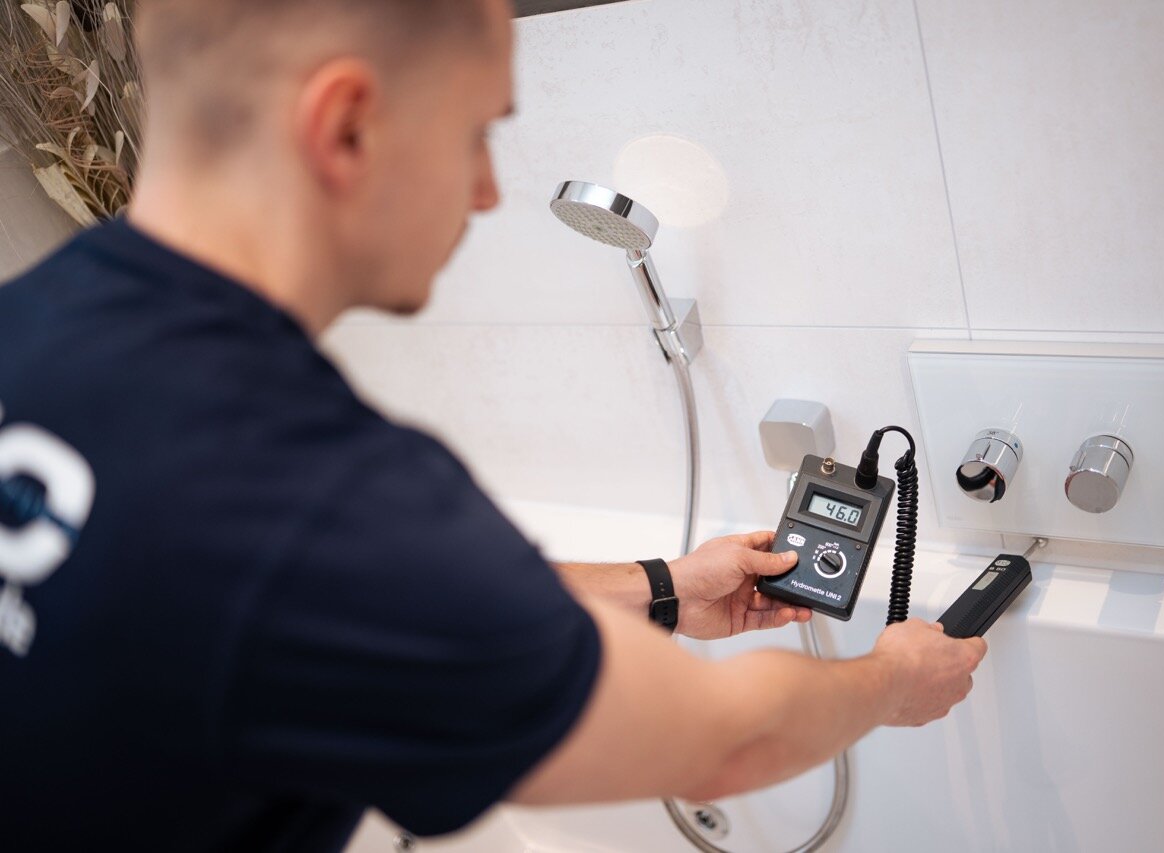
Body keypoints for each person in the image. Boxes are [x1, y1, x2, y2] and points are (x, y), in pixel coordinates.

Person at [0, 0, 987, 850]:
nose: (482, 191)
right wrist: (885, 683)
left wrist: (661, 589)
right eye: (474, 133)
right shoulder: (313, 490)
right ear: (344, 125)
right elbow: (721, 743)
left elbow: (336, 599)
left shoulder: (29, 324)